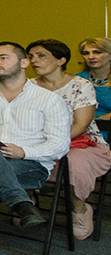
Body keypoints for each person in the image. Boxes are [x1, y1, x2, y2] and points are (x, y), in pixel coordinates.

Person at [0, 42, 71, 255]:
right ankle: (22, 204)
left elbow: (60, 145)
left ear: (24, 63)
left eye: (3, 57)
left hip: (31, 164)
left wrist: (24, 152)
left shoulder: (49, 100)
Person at [28, 39, 111, 239]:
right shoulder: (28, 85)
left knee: (73, 162)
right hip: (36, 140)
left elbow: (81, 125)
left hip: (80, 142)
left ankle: (79, 208)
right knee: (11, 154)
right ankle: (27, 203)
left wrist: (49, 145)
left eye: (41, 56)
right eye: (31, 57)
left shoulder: (80, 85)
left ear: (61, 60)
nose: (34, 61)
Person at [76, 37, 111, 137]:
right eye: (86, 53)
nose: (91, 57)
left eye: (97, 52)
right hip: (82, 130)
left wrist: (96, 121)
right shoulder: (78, 79)